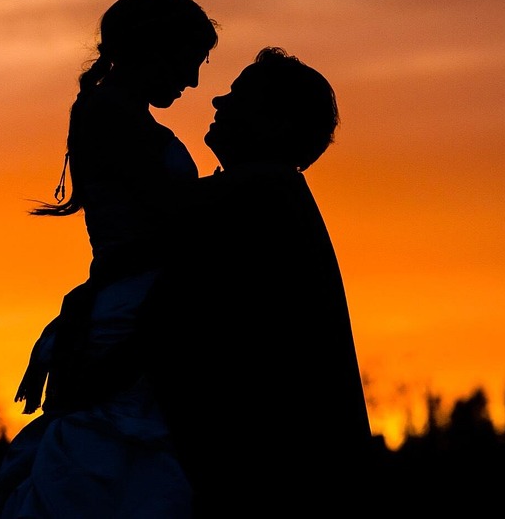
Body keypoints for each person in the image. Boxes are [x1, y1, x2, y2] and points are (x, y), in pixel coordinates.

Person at [0, 0, 219, 519]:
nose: (194, 80)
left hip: (147, 296)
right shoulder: (106, 112)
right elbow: (168, 214)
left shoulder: (121, 114)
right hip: (133, 305)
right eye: (189, 61)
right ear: (155, 46)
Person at [140, 47, 375, 514]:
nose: (217, 102)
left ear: (276, 123)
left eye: (238, 96)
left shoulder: (261, 192)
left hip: (270, 479)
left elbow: (150, 224)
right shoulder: (269, 192)